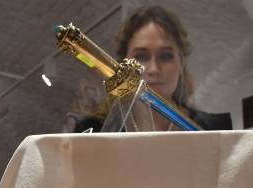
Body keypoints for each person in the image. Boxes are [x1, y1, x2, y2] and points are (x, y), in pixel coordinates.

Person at [74, 5, 232, 133]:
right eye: (141, 57)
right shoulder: (92, 131)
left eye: (165, 56)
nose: (154, 69)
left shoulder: (215, 129)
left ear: (181, 62)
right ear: (123, 63)